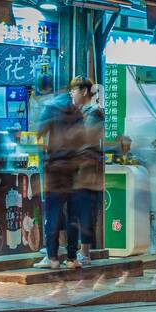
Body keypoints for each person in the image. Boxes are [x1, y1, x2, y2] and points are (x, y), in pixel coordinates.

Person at [33, 78, 86, 269]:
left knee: (53, 213)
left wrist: (44, 161)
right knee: (72, 216)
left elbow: (39, 135)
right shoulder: (77, 113)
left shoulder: (50, 108)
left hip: (55, 170)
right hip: (73, 170)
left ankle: (53, 257)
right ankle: (72, 258)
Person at [69, 77, 106, 268]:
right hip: (78, 170)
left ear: (84, 92)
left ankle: (85, 252)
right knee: (77, 211)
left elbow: (87, 140)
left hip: (88, 172)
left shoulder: (94, 113)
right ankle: (76, 250)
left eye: (74, 90)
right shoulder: (80, 112)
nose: (71, 94)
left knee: (85, 212)